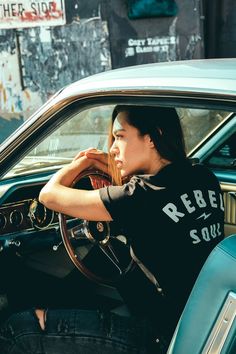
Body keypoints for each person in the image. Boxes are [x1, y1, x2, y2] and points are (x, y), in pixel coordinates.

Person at [0, 105, 225, 353]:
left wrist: (83, 163)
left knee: (18, 329)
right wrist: (116, 168)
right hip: (199, 319)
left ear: (152, 137)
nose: (112, 148)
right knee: (112, 250)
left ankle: (42, 320)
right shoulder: (203, 177)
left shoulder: (138, 197)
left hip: (159, 337)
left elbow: (48, 195)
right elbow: (156, 203)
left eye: (120, 137)